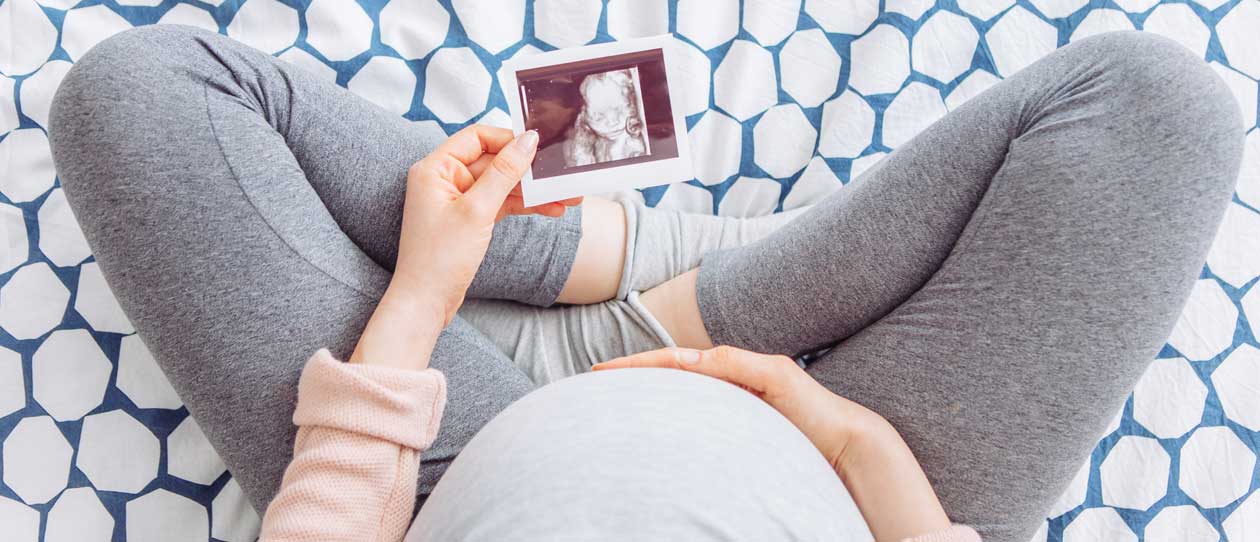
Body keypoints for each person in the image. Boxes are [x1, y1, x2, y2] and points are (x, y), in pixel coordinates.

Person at [47, 25, 1243, 542]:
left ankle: (584, 270)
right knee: (1156, 108)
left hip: (447, 461)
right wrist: (845, 440)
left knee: (143, 100)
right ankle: (683, 285)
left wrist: (421, 295)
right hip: (850, 470)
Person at [564, 68, 650, 167]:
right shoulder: (578, 142)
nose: (613, 122)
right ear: (584, 117)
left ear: (633, 102)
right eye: (599, 117)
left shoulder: (637, 135)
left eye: (619, 111)